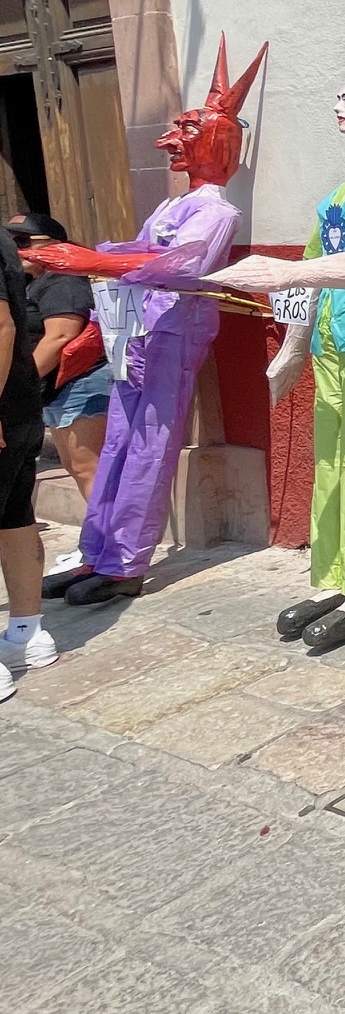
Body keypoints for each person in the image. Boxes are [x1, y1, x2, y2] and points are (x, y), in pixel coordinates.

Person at [40, 36, 266, 606]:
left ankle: (125, 563)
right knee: (118, 439)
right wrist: (101, 275)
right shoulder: (172, 206)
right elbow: (140, 255)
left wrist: (89, 260)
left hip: (173, 333)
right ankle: (95, 551)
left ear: (215, 142)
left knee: (149, 445)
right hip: (137, 332)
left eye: (186, 131)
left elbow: (179, 265)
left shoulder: (218, 212)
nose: (170, 141)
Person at [211, 69, 345, 651]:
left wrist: (283, 271)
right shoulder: (339, 193)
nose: (338, 104)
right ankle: (332, 576)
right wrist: (293, 345)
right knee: (329, 458)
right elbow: (314, 271)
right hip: (331, 337)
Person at [11, 213, 108, 515]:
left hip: (82, 382)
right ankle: (103, 536)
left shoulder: (63, 278)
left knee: (88, 467)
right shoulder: (38, 282)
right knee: (77, 466)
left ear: (54, 244)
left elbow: (61, 336)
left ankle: (112, 539)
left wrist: (17, 386)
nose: (16, 250)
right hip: (59, 387)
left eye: (22, 241)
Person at [0, 222, 55, 698]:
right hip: (15, 402)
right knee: (14, 517)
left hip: (3, 405)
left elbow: (0, 326)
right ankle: (26, 634)